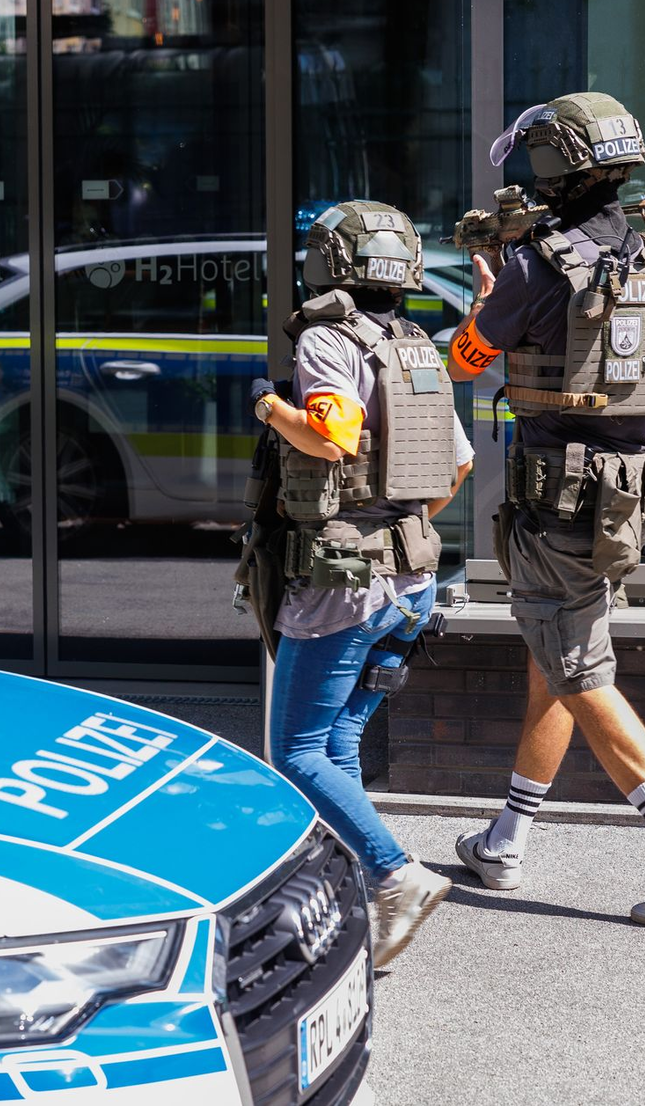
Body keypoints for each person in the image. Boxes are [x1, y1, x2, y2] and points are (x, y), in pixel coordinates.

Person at [447, 91, 645, 926]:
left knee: (579, 670)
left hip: (561, 500)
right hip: (634, 500)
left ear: (551, 166)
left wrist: (487, 299)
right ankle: (507, 836)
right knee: (558, 655)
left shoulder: (534, 264)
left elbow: (467, 361)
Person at [252, 200, 473, 967]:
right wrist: (401, 527)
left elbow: (334, 435)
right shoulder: (417, 344)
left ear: (330, 263)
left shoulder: (327, 338)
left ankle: (393, 873)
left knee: (296, 750)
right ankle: (357, 893)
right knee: (342, 738)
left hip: (343, 582)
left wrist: (269, 406)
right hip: (412, 580)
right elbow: (461, 463)